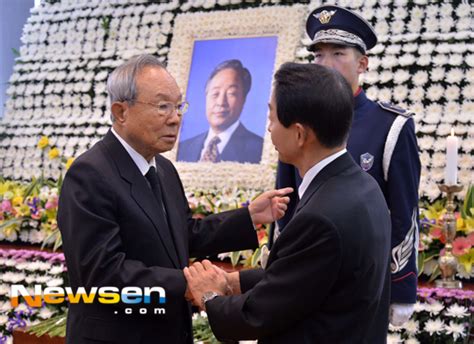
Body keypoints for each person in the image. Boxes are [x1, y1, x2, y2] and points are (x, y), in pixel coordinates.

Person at [57, 54, 292, 344]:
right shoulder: (90, 174)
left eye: (179, 105)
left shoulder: (163, 168)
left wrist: (249, 216)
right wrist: (189, 283)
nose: (176, 118)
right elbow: (102, 274)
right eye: (162, 106)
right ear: (120, 111)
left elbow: (182, 234)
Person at [184, 62, 392, 343]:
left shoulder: (320, 218)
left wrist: (209, 295)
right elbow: (305, 278)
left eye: (271, 116)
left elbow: (255, 316)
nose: (268, 128)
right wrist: (235, 281)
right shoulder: (363, 186)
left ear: (299, 134)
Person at [271, 4, 421, 329]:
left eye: (338, 53)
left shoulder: (390, 126)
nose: (325, 65)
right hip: (304, 282)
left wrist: (401, 286)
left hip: (364, 287)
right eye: (319, 55)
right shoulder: (297, 121)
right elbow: (285, 207)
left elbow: (403, 212)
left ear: (362, 63)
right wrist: (277, 274)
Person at [177, 59, 263, 163]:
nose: (221, 102)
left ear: (243, 99)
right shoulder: (182, 149)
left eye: (231, 93)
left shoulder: (259, 150)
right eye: (215, 93)